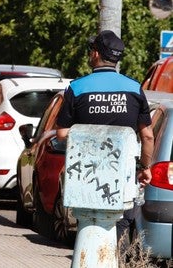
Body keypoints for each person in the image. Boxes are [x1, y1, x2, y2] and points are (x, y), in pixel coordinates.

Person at [55, 30, 154, 248]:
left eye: (91, 50)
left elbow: (61, 134)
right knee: (118, 234)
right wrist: (145, 167)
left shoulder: (77, 88)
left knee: (88, 234)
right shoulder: (134, 88)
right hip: (123, 179)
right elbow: (147, 135)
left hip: (87, 181)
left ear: (96, 54)